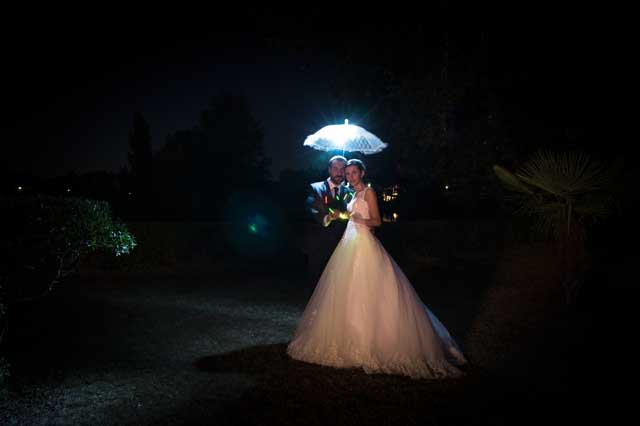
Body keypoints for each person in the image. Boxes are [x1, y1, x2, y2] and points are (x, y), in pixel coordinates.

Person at [288, 159, 467, 379]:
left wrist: (359, 219)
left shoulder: (369, 192)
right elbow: (347, 215)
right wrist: (339, 215)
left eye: (354, 172)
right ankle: (348, 337)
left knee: (370, 287)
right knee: (347, 290)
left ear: (362, 173)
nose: (350, 176)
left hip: (364, 244)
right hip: (349, 243)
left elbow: (377, 221)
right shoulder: (351, 195)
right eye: (347, 173)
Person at [303, 155, 354, 282]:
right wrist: (328, 217)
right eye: (335, 168)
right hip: (319, 245)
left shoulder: (350, 192)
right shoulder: (315, 187)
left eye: (342, 169)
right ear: (329, 170)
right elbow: (311, 209)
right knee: (317, 282)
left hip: (343, 247)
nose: (339, 172)